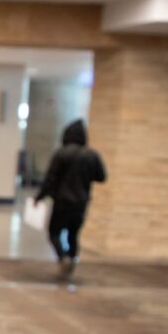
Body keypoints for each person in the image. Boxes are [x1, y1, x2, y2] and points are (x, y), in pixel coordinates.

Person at [36, 119, 107, 278]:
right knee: (73, 234)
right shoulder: (92, 155)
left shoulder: (62, 153)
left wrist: (40, 197)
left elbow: (50, 178)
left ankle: (63, 257)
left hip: (62, 202)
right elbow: (102, 177)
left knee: (54, 231)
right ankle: (72, 259)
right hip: (81, 203)